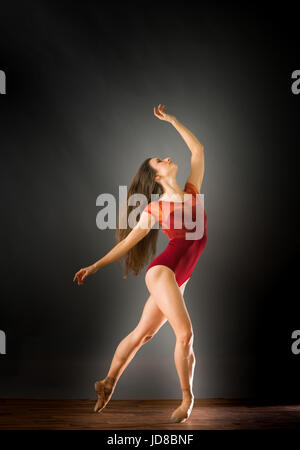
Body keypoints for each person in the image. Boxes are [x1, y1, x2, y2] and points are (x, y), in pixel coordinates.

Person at [73, 104, 207, 423]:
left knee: (143, 334)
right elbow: (125, 245)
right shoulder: (156, 210)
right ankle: (187, 399)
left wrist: (173, 120)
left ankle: (108, 383)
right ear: (156, 176)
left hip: (178, 278)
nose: (166, 159)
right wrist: (95, 266)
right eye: (159, 161)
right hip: (163, 273)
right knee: (185, 335)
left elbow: (198, 149)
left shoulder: (192, 191)